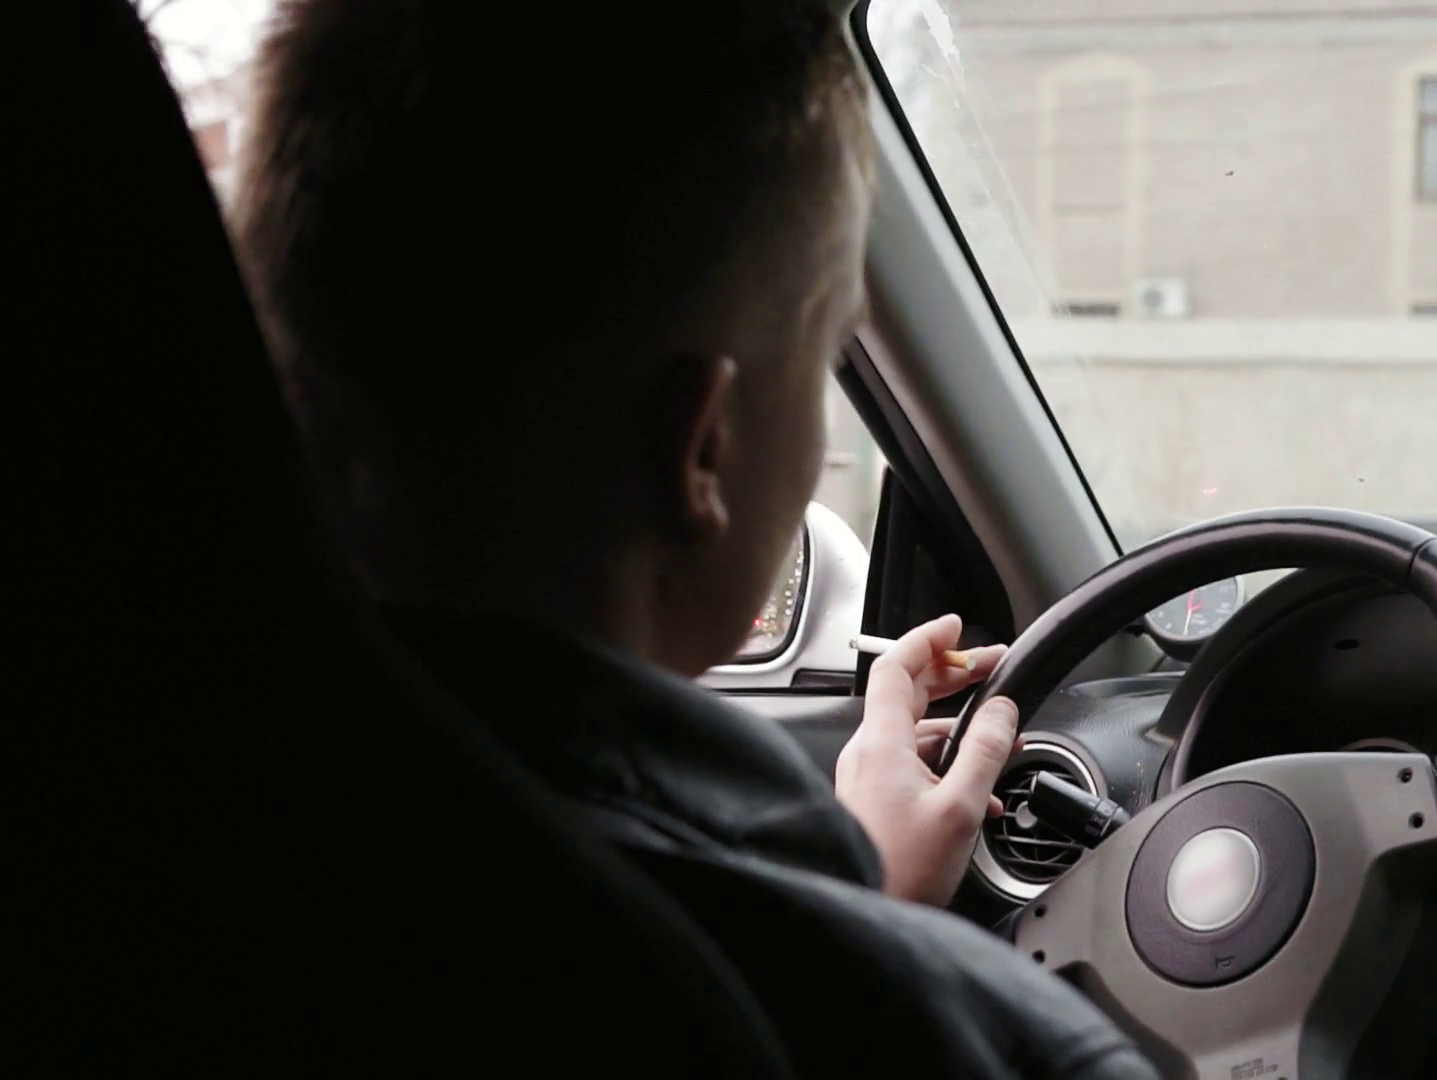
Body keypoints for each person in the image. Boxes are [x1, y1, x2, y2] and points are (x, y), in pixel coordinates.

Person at [233, 1, 1155, 1076]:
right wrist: (862, 944)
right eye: (820, 363)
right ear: (703, 449)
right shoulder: (975, 1041)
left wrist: (860, 893)